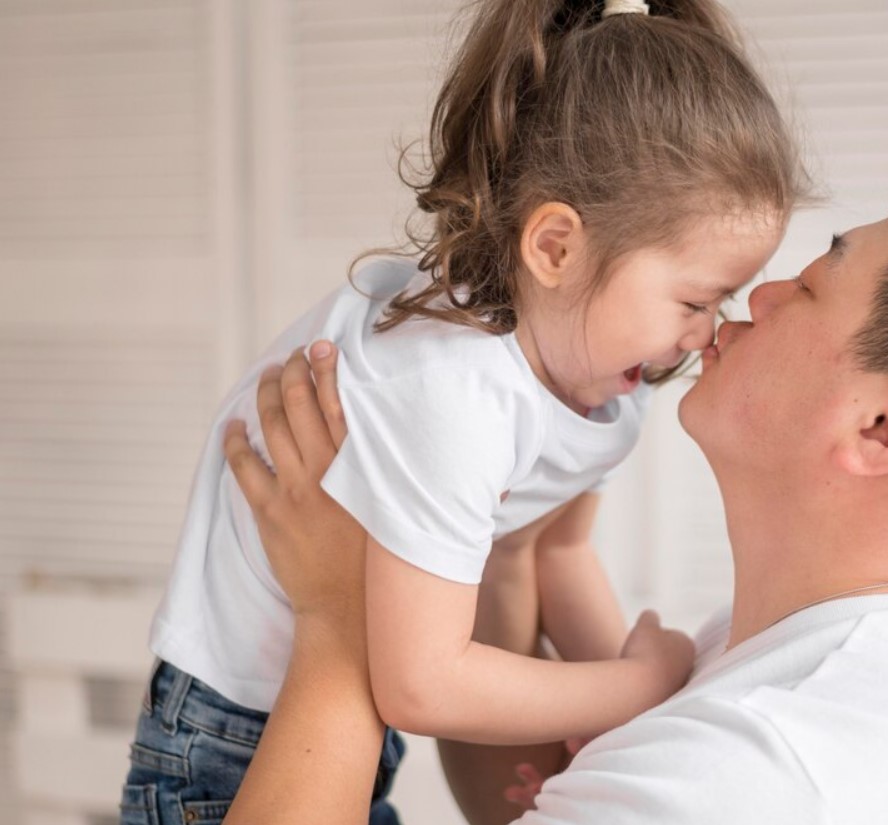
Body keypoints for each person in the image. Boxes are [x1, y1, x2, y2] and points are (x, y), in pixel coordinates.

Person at [218, 150, 888, 825]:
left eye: (813, 283)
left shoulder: (754, 775)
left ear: (885, 428)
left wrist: (338, 623)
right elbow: (542, 798)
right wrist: (513, 554)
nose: (756, 296)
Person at [121, 0, 803, 820]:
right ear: (554, 247)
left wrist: (636, 725)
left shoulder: (597, 379)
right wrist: (634, 682)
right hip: (233, 729)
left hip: (344, 706)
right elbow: (422, 682)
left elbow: (556, 552)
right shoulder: (452, 389)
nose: (708, 332)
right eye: (695, 300)